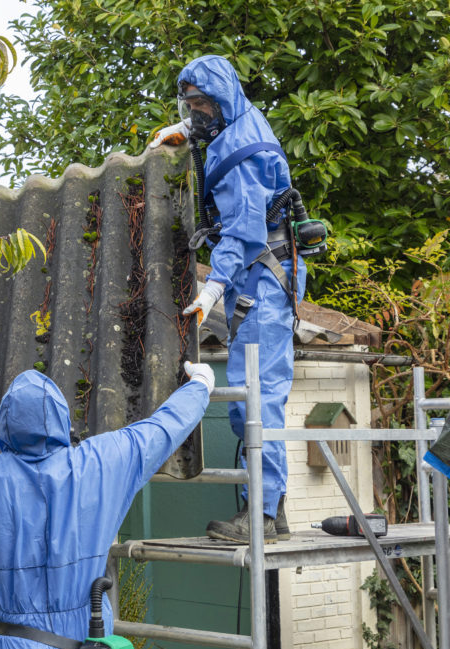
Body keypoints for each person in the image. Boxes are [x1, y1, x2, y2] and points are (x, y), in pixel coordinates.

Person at [0, 362, 214, 649]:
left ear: (5, 425)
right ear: (61, 418)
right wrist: (201, 383)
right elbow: (166, 426)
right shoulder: (103, 461)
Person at [150, 54, 306, 544]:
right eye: (189, 104)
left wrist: (213, 286)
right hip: (258, 283)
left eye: (202, 104)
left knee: (256, 399)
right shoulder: (231, 122)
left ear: (222, 99)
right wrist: (179, 129)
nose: (196, 113)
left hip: (264, 278)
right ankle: (270, 511)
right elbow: (216, 127)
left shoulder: (242, 151)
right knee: (250, 400)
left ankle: (259, 516)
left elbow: (243, 230)